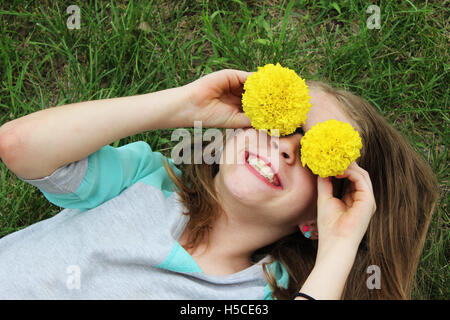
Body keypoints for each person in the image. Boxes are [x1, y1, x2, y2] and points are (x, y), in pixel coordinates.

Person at [0, 69, 439, 299]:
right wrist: (183, 105)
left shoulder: (264, 292)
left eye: (315, 158)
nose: (286, 148)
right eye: (280, 124)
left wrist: (340, 247)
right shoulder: (146, 179)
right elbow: (19, 145)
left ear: (322, 215)